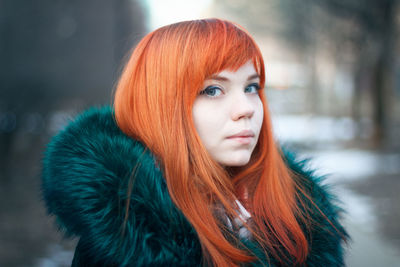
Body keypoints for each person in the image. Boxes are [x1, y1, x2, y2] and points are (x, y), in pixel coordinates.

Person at [42, 18, 348, 266]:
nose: (247, 109)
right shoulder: (127, 237)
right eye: (213, 90)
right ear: (161, 106)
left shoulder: (301, 215)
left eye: (251, 87)